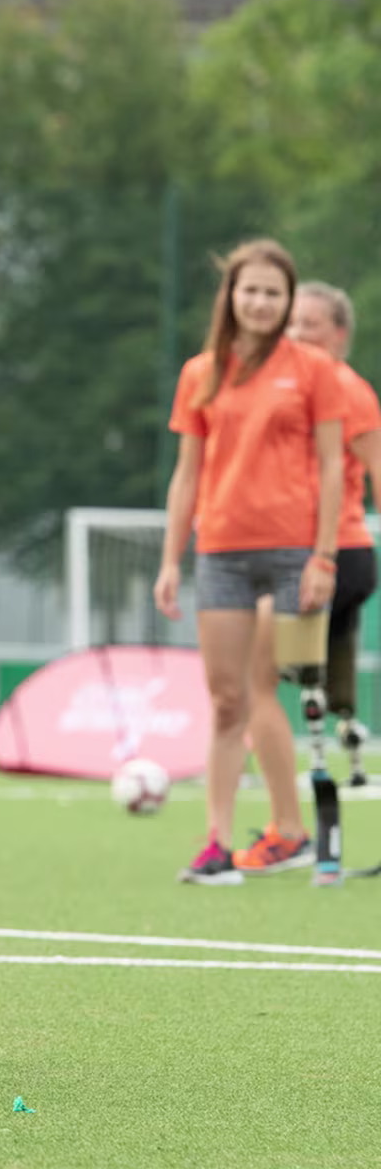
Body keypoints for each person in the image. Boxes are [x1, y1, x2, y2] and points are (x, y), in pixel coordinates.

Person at [154, 239, 344, 885]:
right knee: (227, 699)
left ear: (287, 301)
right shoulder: (200, 374)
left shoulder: (314, 369)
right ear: (230, 297)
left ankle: (292, 830)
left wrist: (324, 555)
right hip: (221, 555)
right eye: (250, 290)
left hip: (294, 555)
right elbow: (187, 476)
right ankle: (217, 843)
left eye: (273, 292)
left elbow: (330, 467)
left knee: (271, 692)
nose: (260, 302)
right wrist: (170, 561)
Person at [235, 281, 380, 873]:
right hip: (303, 556)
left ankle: (289, 831)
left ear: (339, 335)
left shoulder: (343, 387)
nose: (296, 336)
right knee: (282, 687)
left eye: (311, 327)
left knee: (256, 682)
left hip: (334, 557)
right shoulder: (286, 386)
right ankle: (293, 825)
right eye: (291, 326)